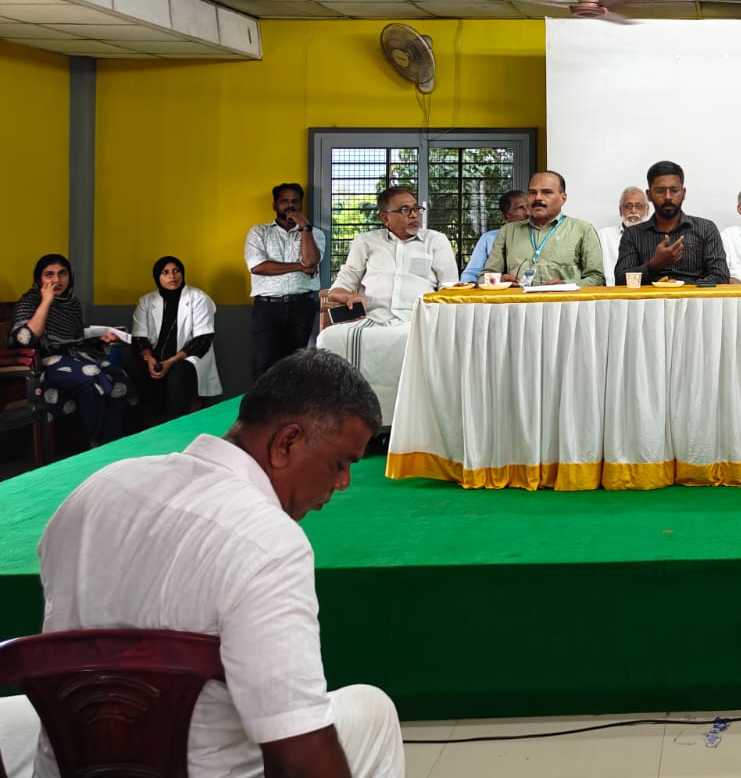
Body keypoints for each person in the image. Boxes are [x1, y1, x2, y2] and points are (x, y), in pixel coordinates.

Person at [0, 350, 403, 778]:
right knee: (372, 709)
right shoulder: (269, 541)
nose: (343, 483)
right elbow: (298, 752)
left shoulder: (95, 491)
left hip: (75, 763)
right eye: (340, 464)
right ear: (286, 443)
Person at [319, 185, 457, 425]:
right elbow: (339, 287)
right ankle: (347, 420)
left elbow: (450, 287)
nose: (414, 214)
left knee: (411, 339)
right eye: (405, 210)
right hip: (374, 317)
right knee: (328, 339)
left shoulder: (436, 240)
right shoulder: (366, 241)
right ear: (385, 218)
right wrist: (349, 297)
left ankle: (407, 423)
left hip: (417, 317)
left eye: (416, 208)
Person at [6, 254, 130, 446]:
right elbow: (27, 338)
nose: (57, 280)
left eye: (62, 273)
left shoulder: (72, 303)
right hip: (43, 360)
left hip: (74, 356)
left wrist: (101, 337)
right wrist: (46, 301)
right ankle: (94, 441)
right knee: (92, 376)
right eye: (49, 275)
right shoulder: (29, 301)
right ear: (39, 279)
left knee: (117, 375)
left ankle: (112, 441)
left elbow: (75, 337)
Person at [245, 183, 325, 384]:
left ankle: (290, 405)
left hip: (302, 307)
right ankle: (262, 405)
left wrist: (305, 227)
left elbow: (310, 261)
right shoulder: (259, 232)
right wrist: (299, 267)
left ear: (301, 204)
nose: (290, 205)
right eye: (284, 201)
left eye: (295, 201)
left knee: (295, 367)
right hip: (267, 308)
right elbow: (258, 266)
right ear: (275, 205)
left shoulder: (315, 234)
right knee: (263, 365)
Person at [131, 255, 221, 423]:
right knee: (135, 369)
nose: (172, 276)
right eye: (165, 272)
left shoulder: (199, 298)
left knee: (178, 373)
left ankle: (173, 425)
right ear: (157, 277)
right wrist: (149, 359)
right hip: (155, 356)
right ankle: (137, 426)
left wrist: (171, 361)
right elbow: (139, 338)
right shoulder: (146, 301)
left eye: (176, 271)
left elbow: (202, 340)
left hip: (187, 357)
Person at [615, 161, 730, 285]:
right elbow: (621, 281)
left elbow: (720, 276)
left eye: (674, 190)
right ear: (649, 195)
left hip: (694, 295)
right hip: (650, 297)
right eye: (660, 191)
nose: (668, 197)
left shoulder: (706, 229)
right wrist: (653, 265)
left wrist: (687, 288)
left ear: (683, 193)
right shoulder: (633, 234)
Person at [485, 170, 605, 286]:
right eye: (532, 193)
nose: (538, 198)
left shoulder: (582, 230)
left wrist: (565, 285)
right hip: (519, 299)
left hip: (564, 299)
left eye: (546, 192)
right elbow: (484, 277)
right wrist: (499, 280)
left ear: (563, 198)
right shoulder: (508, 231)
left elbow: (597, 279)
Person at [460, 189, 527, 282]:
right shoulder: (488, 239)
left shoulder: (538, 237)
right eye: (520, 208)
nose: (528, 213)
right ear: (505, 216)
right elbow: (470, 276)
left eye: (530, 207)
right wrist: (498, 280)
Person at [598, 187, 650, 284]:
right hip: (612, 291)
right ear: (620, 210)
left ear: (647, 210)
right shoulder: (604, 236)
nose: (633, 211)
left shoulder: (654, 237)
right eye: (628, 206)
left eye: (639, 206)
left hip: (646, 292)